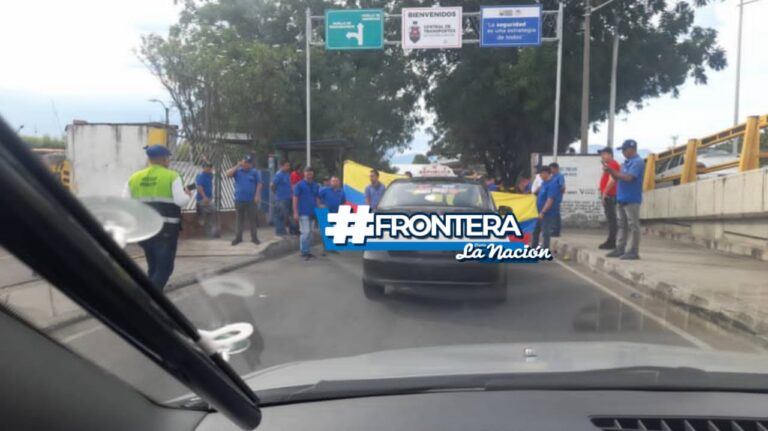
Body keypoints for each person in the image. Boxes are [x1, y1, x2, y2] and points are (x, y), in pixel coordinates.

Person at [124, 145, 190, 291]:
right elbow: (180, 201)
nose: (169, 161)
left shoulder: (134, 177)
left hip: (144, 230)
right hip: (165, 231)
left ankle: (151, 292)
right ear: (164, 159)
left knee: (153, 265)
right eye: (168, 158)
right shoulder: (172, 176)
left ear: (150, 159)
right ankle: (148, 299)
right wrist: (187, 195)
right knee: (165, 268)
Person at [604, 139, 645, 260]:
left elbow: (628, 178)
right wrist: (610, 171)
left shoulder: (637, 162)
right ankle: (620, 247)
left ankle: (633, 250)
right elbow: (617, 178)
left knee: (633, 225)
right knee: (622, 225)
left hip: (631, 198)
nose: (622, 152)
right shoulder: (625, 163)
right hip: (621, 197)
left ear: (631, 149)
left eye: (624, 150)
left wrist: (612, 171)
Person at [226, 155, 262, 246]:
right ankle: (238, 238)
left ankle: (254, 238)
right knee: (239, 219)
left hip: (251, 200)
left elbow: (259, 184)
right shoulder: (238, 171)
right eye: (245, 162)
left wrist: (257, 195)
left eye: (248, 163)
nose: (247, 164)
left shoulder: (254, 172)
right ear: (242, 162)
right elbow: (228, 174)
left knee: (252, 219)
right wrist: (237, 165)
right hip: (239, 199)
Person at [293, 166, 320, 260]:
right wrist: (295, 212)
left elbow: (317, 198)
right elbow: (295, 198)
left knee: (310, 233)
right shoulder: (299, 185)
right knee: (305, 232)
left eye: (311, 172)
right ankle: (304, 252)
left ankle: (307, 251)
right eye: (307, 172)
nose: (309, 174)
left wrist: (318, 210)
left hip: (312, 212)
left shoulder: (315, 185)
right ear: (304, 173)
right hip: (303, 212)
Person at [532, 166, 561, 250]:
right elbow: (537, 192)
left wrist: (543, 212)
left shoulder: (552, 184)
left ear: (546, 173)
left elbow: (550, 200)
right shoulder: (544, 183)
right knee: (535, 230)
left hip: (547, 213)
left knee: (545, 232)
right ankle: (534, 247)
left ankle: (545, 249)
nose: (540, 175)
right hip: (538, 211)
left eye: (541, 174)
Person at [597, 147, 621, 250]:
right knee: (610, 219)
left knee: (612, 220)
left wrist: (605, 193)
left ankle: (612, 241)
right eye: (601, 154)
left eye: (604, 154)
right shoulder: (608, 166)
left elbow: (612, 181)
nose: (602, 156)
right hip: (608, 194)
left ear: (610, 155)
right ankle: (611, 240)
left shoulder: (613, 165)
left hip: (610, 195)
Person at [319, 176, 345, 255]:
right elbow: (317, 197)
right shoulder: (324, 190)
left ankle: (331, 248)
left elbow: (343, 201)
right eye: (333, 181)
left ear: (339, 182)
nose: (335, 183)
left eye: (336, 181)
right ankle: (324, 249)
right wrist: (320, 205)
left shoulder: (341, 191)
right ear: (330, 182)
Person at [270, 160, 292, 236]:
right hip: (280, 198)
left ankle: (282, 231)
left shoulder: (287, 174)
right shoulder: (279, 174)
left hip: (287, 197)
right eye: (286, 166)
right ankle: (280, 231)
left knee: (285, 215)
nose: (288, 167)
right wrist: (276, 193)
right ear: (281, 166)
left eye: (288, 166)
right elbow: (272, 185)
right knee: (280, 215)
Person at [195, 161, 215, 238]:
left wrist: (206, 159)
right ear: (203, 168)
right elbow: (199, 187)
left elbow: (212, 174)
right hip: (203, 200)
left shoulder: (209, 175)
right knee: (213, 210)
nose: (209, 168)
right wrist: (204, 197)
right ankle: (208, 232)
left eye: (210, 167)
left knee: (208, 215)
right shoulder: (201, 176)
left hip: (208, 199)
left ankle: (208, 233)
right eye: (207, 167)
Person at [548, 162, 566, 237]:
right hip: (552, 198)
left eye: (552, 169)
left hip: (556, 198)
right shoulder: (552, 177)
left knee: (555, 215)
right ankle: (553, 229)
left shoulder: (559, 176)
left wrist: (557, 193)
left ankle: (556, 231)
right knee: (553, 214)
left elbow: (562, 187)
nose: (551, 170)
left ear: (556, 168)